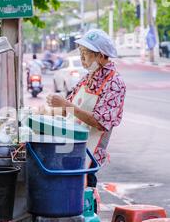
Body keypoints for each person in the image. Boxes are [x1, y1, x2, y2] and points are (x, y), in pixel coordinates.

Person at [47, 29, 126, 189]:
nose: (82, 57)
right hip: (69, 148)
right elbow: (67, 109)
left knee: (83, 201)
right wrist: (55, 108)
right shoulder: (87, 78)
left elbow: (100, 122)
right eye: (81, 52)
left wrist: (65, 105)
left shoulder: (114, 83)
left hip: (88, 155)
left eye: (87, 53)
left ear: (101, 55)